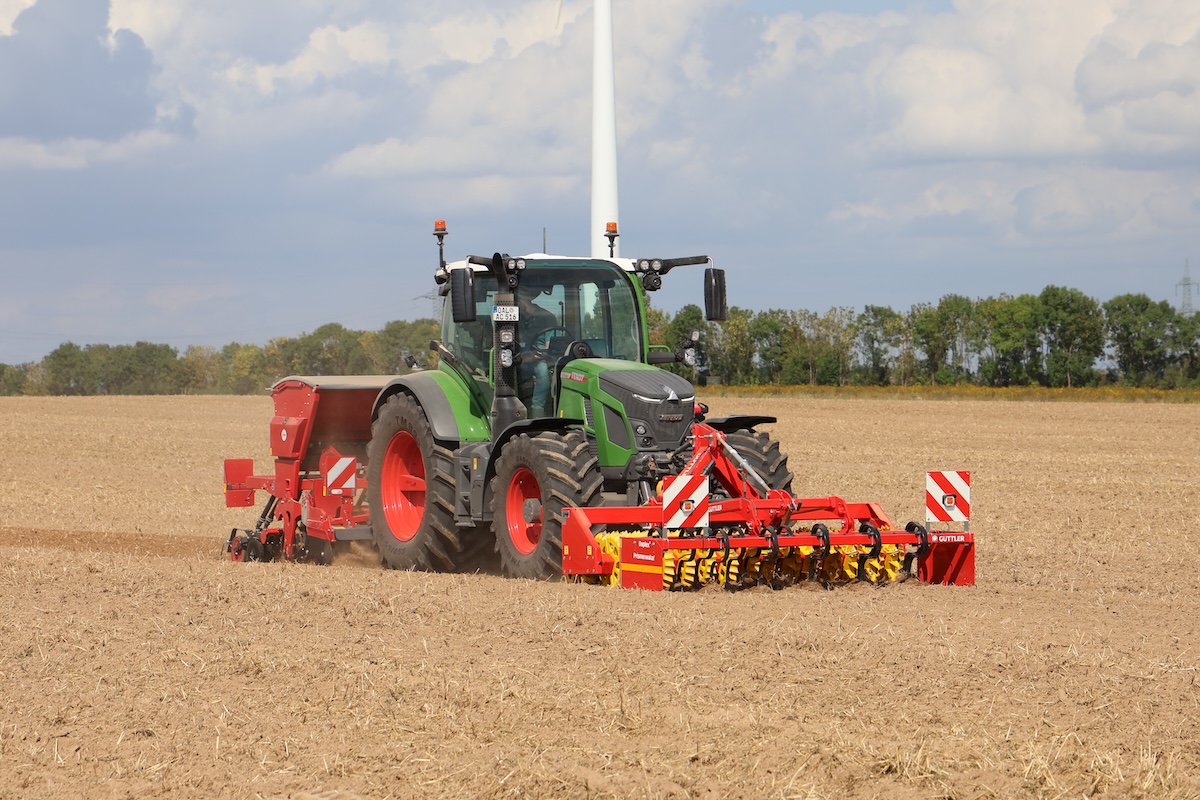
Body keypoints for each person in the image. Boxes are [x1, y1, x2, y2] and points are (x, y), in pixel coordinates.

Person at [516, 289, 559, 416]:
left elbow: (549, 347)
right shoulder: (516, 318)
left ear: (523, 302)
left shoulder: (547, 318)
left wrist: (534, 356)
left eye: (516, 302)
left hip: (540, 358)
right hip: (518, 358)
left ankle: (537, 410)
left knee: (542, 371)